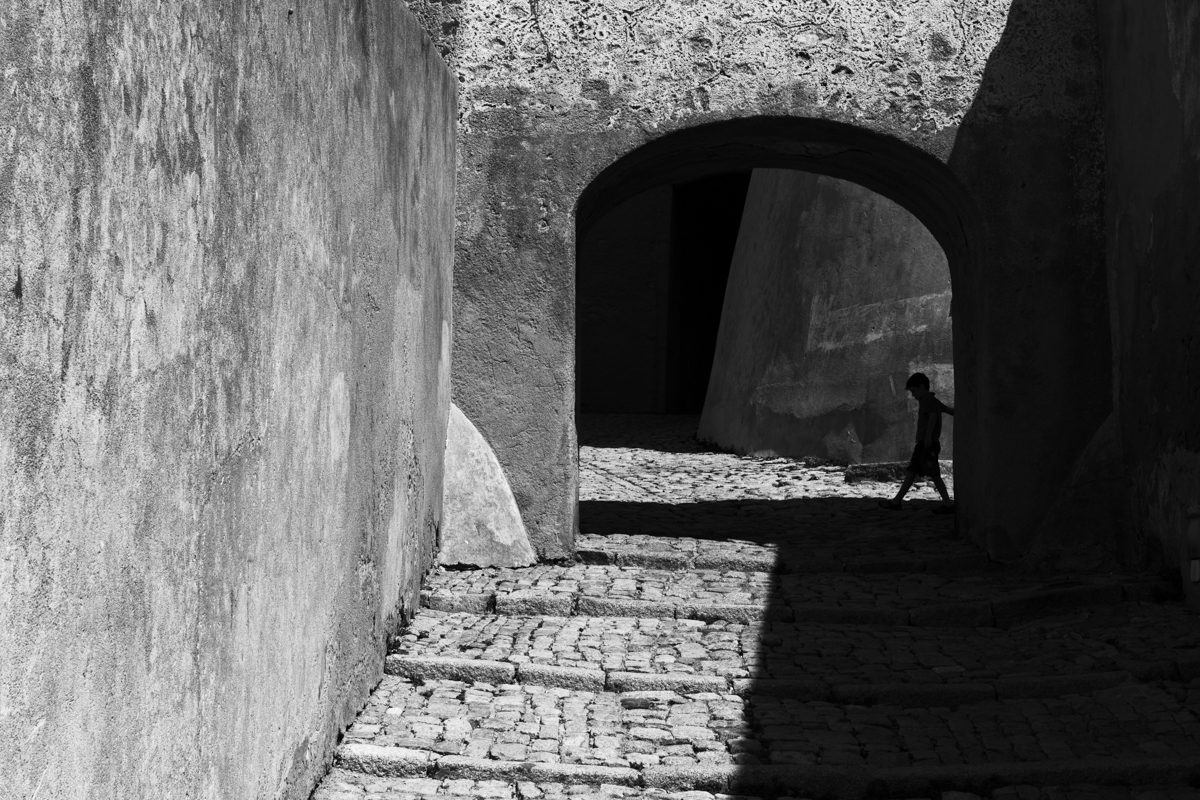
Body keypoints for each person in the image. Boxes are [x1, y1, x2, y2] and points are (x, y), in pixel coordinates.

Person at [878, 372, 954, 513]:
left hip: (925, 444)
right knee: (928, 473)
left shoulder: (926, 400)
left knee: (916, 472)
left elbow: (932, 417)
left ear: (921, 387)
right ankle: (947, 503)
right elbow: (948, 410)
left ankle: (897, 502)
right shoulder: (934, 400)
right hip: (931, 443)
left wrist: (927, 437)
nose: (913, 395)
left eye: (913, 391)